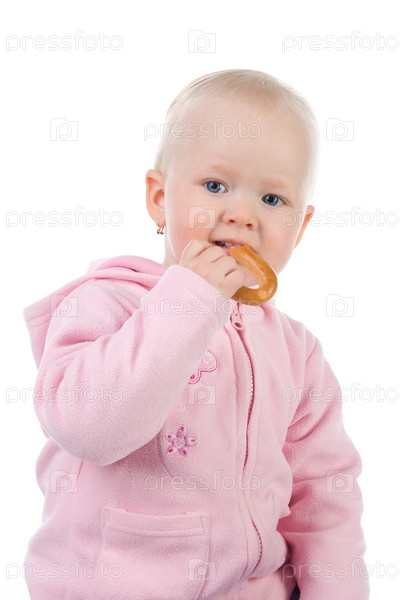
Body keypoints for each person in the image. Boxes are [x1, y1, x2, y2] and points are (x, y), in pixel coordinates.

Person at [23, 69, 369, 599]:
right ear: (160, 199)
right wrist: (189, 300)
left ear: (300, 228)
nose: (242, 215)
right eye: (215, 186)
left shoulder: (296, 353)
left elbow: (324, 495)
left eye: (273, 199)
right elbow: (89, 429)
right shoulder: (106, 302)